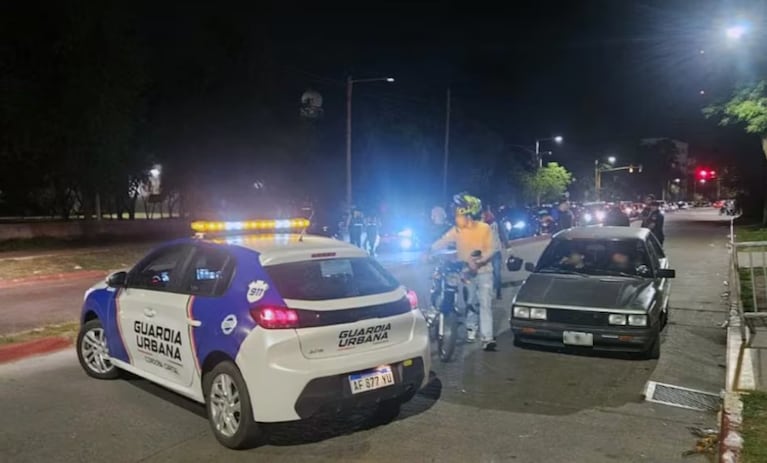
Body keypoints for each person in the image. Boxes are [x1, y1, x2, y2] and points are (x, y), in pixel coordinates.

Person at [428, 193, 497, 351]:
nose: (457, 214)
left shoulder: (484, 228)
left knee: (485, 304)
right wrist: (428, 251)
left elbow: (491, 250)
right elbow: (443, 241)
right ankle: (471, 329)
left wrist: (478, 262)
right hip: (467, 273)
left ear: (469, 213)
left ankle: (487, 338)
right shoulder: (457, 231)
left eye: (460, 211)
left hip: (484, 272)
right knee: (470, 302)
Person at [483, 206, 505, 300]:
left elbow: (503, 234)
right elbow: (503, 235)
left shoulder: (483, 226)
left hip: (492, 252)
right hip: (492, 252)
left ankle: (496, 291)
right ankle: (497, 292)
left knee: (493, 274)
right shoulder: (495, 224)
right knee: (496, 273)